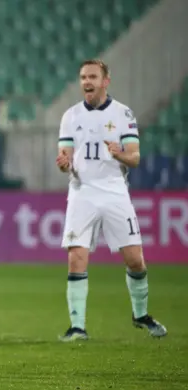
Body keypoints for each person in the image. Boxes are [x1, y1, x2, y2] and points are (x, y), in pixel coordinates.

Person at [56, 59, 167, 342]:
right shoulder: (70, 116)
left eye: (92, 76)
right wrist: (64, 162)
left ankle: (140, 314)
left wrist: (119, 154)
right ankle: (77, 326)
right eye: (82, 77)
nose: (86, 82)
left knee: (135, 261)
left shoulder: (122, 114)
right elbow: (65, 157)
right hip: (82, 193)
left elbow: (135, 157)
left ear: (106, 81)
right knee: (76, 258)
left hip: (115, 191)